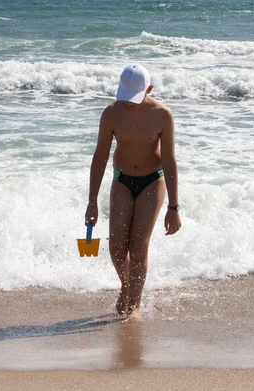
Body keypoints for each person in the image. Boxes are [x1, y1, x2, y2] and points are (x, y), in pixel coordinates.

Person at [85, 64, 181, 320]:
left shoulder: (162, 115)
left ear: (149, 89)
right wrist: (92, 201)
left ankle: (134, 304)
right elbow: (100, 156)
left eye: (134, 98)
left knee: (138, 246)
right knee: (117, 246)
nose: (128, 103)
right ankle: (126, 286)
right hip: (122, 180)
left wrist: (174, 208)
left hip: (152, 181)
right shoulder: (111, 114)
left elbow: (170, 161)